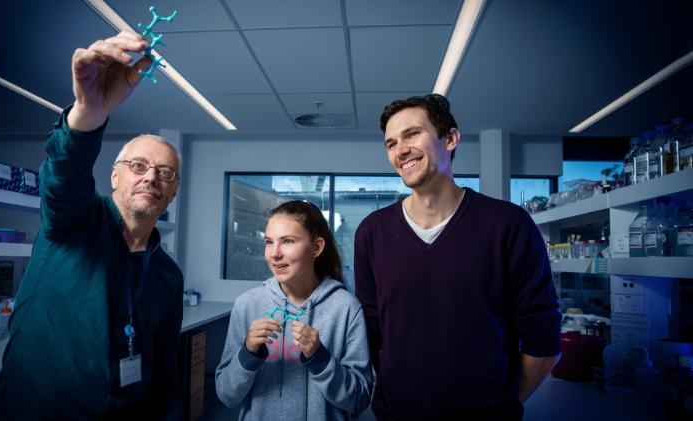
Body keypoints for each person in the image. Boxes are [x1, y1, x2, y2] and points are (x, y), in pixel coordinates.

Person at [0, 31, 184, 418]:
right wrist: (88, 116)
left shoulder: (166, 274)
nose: (151, 178)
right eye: (139, 166)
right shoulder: (75, 220)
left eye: (165, 173)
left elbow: (163, 371)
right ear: (114, 176)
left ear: (173, 191)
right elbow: (63, 177)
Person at [354, 94, 562, 420]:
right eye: (391, 143)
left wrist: (501, 404)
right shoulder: (371, 232)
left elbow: (543, 338)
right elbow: (373, 332)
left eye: (412, 134)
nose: (400, 150)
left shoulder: (508, 225)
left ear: (450, 139)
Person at [216, 200, 373, 420]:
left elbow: (359, 399)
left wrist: (321, 359)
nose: (275, 253)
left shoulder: (346, 308)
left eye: (288, 241)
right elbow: (226, 396)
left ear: (316, 248)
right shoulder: (247, 305)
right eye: (269, 242)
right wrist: (248, 353)